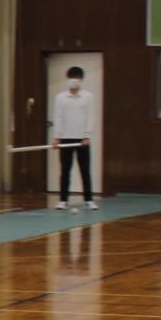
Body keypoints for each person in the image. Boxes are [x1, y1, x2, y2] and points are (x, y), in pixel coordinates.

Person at [51, 66, 98, 211]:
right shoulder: (60, 97)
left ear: (81, 80)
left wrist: (87, 135)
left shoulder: (87, 96)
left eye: (77, 78)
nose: (74, 81)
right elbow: (58, 117)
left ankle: (89, 200)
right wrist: (56, 137)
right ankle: (63, 200)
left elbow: (90, 116)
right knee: (65, 170)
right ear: (67, 79)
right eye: (71, 78)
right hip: (65, 139)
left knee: (85, 170)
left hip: (82, 140)